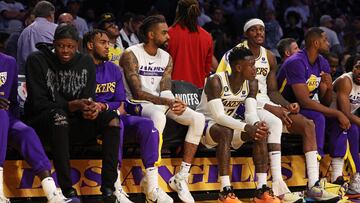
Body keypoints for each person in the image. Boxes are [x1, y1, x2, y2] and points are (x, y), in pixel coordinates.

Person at [217, 19, 338, 202]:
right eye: (254, 30)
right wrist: (273, 108)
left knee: (308, 124)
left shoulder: (270, 57)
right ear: (245, 33)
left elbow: (272, 91)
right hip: (239, 104)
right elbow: (227, 85)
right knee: (273, 122)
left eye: (262, 29)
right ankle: (277, 184)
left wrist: (287, 105)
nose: (259, 33)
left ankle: (313, 185)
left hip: (265, 103)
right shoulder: (234, 55)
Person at [24, 24, 120, 203]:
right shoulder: (36, 60)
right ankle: (67, 190)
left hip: (74, 119)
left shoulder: (85, 62)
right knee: (59, 117)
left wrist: (90, 109)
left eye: (70, 46)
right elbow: (38, 103)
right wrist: (71, 106)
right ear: (54, 44)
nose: (65, 51)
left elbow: (88, 97)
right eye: (60, 46)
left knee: (112, 120)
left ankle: (108, 188)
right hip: (42, 120)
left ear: (77, 45)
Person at [120, 15, 205, 203]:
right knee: (159, 116)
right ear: (151, 34)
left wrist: (174, 101)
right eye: (164, 32)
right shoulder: (131, 54)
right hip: (134, 103)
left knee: (197, 119)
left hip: (159, 102)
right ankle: (151, 182)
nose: (168, 36)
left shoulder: (166, 57)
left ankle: (180, 177)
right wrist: (166, 103)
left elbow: (166, 89)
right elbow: (137, 92)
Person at [84, 29, 172, 203]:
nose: (108, 46)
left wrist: (105, 105)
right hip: (92, 119)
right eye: (103, 42)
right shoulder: (82, 68)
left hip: (112, 113)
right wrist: (103, 108)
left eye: (109, 43)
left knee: (148, 126)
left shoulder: (113, 69)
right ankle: (115, 188)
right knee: (116, 123)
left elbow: (120, 101)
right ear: (90, 45)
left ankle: (152, 188)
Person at [278, 27, 352, 200]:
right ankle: (314, 179)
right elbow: (304, 101)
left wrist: (328, 87)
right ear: (316, 42)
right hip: (285, 106)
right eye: (326, 40)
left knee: (338, 121)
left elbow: (325, 101)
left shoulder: (322, 62)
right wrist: (336, 112)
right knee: (320, 117)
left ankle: (336, 176)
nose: (329, 43)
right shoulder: (296, 61)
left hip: (306, 106)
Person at [197, 46, 275, 203]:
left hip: (231, 127)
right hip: (206, 127)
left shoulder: (252, 83)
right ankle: (225, 191)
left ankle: (262, 190)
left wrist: (256, 124)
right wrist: (247, 127)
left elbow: (250, 114)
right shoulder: (216, 81)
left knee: (260, 132)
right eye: (251, 65)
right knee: (226, 130)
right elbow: (218, 117)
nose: (255, 69)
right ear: (239, 67)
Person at [0, 50, 74, 203]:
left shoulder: (9, 61)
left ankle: (52, 194)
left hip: (6, 119)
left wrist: (11, 123)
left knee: (26, 132)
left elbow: (12, 102)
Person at [328, 55, 360, 196]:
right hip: (330, 117)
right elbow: (345, 113)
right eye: (358, 67)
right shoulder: (345, 81)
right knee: (351, 129)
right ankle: (354, 177)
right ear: (352, 68)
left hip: (347, 120)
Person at [167, 0, 213, 88]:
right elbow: (206, 71)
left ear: (178, 11)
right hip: (197, 93)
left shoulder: (168, 34)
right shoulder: (207, 37)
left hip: (173, 91)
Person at [17, 1, 57, 74]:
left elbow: (19, 59)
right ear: (51, 14)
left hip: (27, 75)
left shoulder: (24, 32)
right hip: (48, 75)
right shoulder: (55, 29)